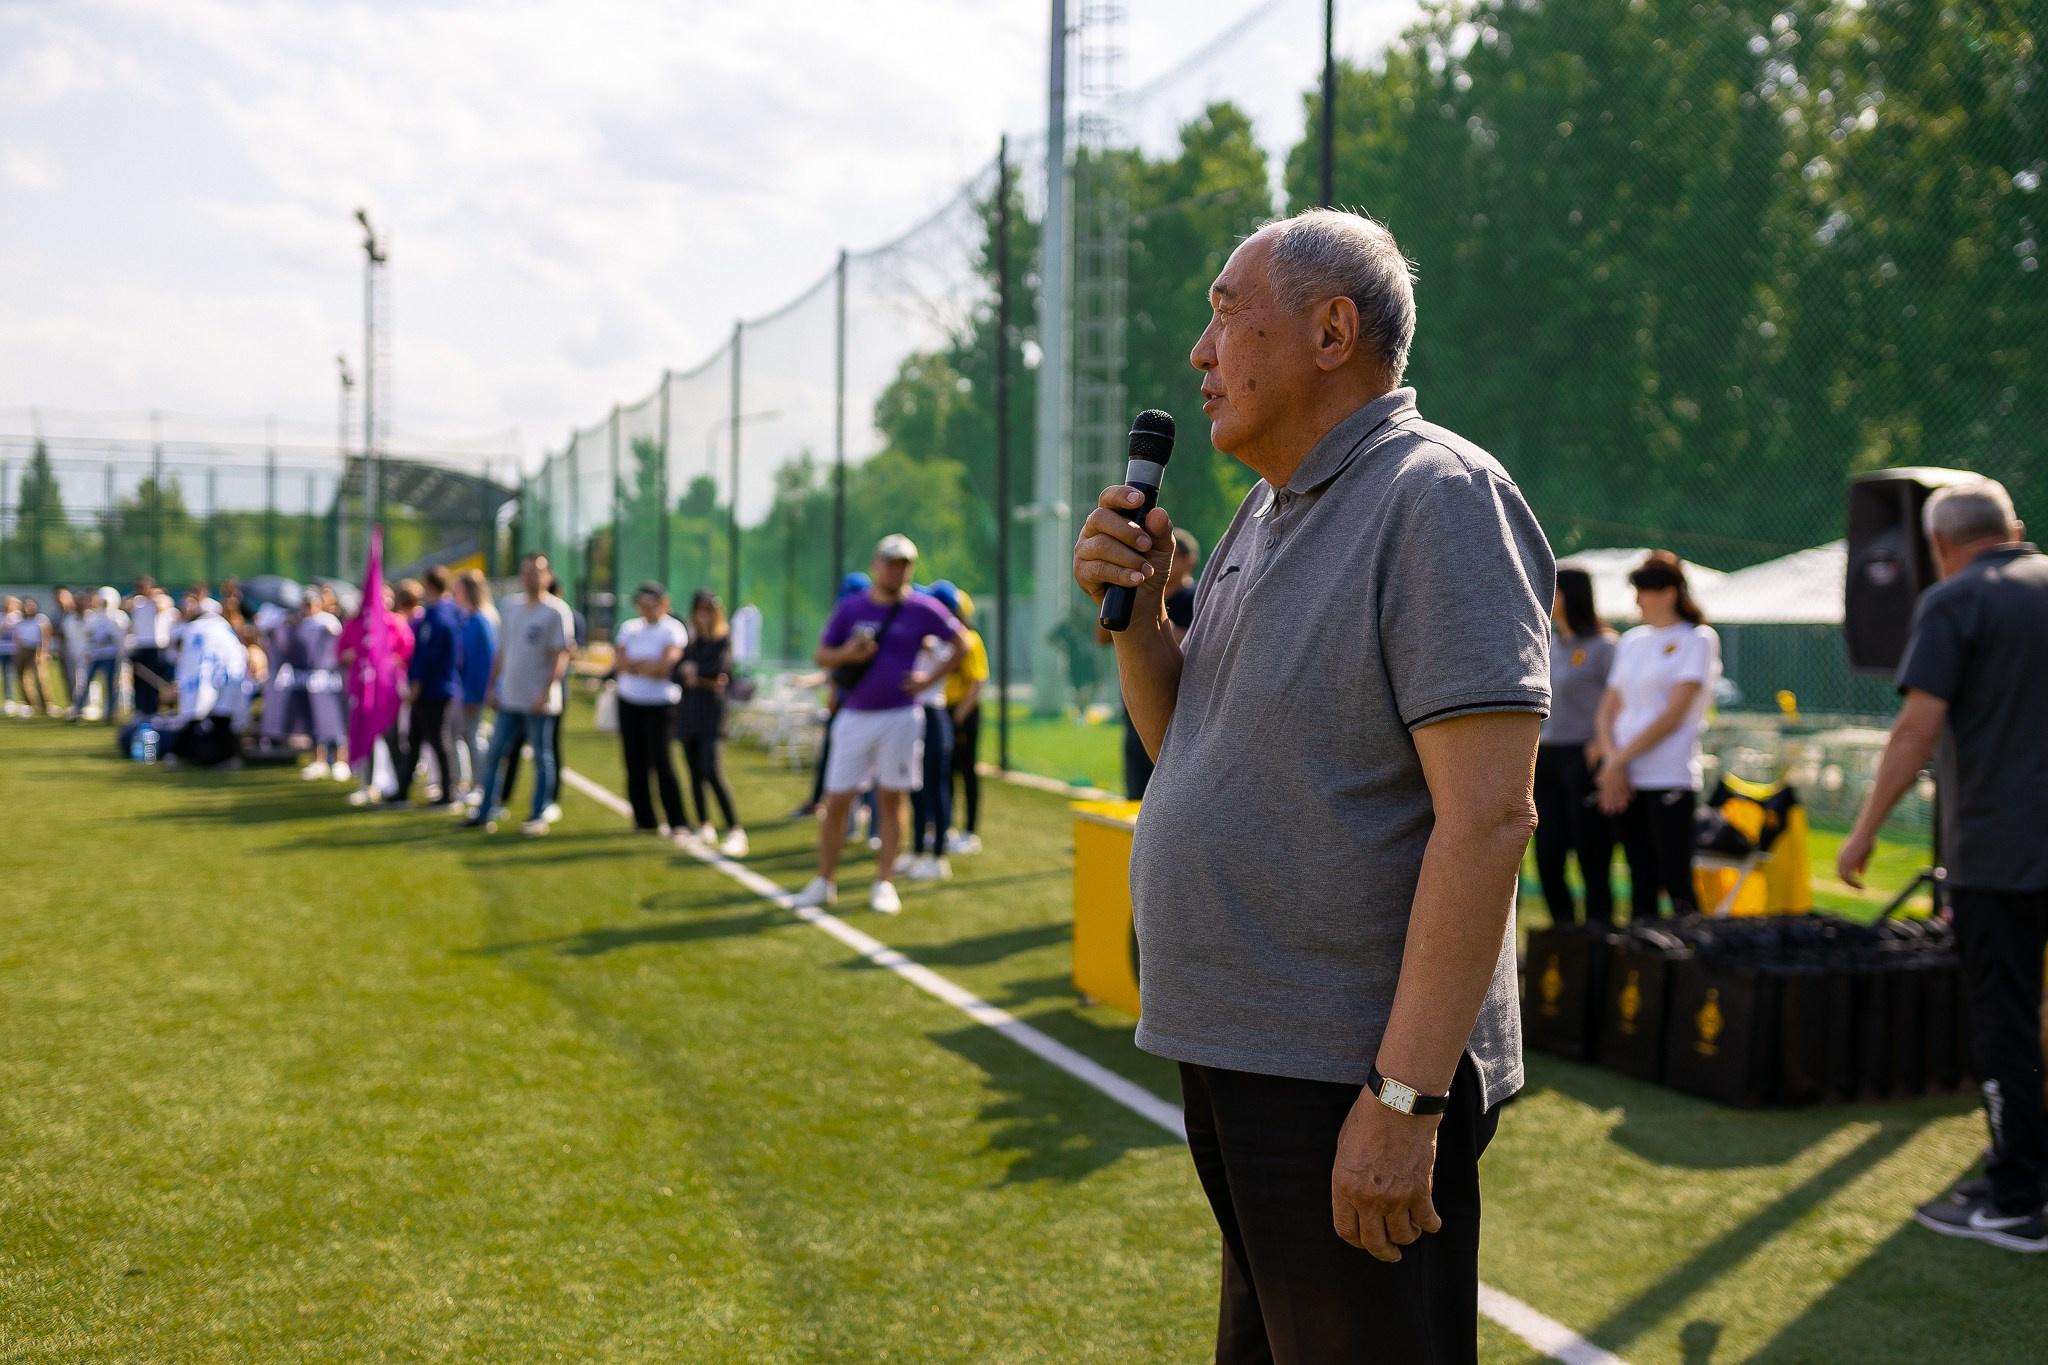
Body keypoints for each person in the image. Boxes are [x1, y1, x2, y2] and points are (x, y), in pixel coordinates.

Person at [1074, 209, 1551, 1362]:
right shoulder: (1272, 504)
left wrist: (1401, 1101)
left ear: (1332, 331)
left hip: (1343, 1072)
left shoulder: (1435, 496)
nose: (1199, 351)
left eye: (1225, 313)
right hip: (1244, 1050)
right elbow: (1193, 736)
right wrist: (1141, 626)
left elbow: (1488, 818)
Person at [1836, 478, 2048, 1252]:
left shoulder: (1956, 600)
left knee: (2006, 1020)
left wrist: (1862, 833)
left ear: (1938, 547)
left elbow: (1916, 729)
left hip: (2000, 852)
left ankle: (2020, 1197)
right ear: (2014, 526)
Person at [791, 535, 965, 915]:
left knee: (892, 798)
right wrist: (848, 653)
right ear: (876, 563)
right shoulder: (851, 608)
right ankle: (824, 881)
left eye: (905, 563)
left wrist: (927, 678)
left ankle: (884, 882)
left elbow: (962, 642)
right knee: (836, 799)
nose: (897, 569)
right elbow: (822, 655)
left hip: (901, 716)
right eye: (891, 561)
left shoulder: (923, 608)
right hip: (854, 715)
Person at [1592, 552, 1719, 919]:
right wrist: (1611, 761)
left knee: (1675, 877)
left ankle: (1686, 967)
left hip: (1668, 775)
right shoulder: (1631, 641)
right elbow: (1608, 707)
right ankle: (1642, 964)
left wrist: (1617, 760)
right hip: (1624, 777)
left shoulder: (1697, 639)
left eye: (1644, 591)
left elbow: (1673, 715)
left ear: (1668, 593)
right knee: (1639, 877)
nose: (1637, 601)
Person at [465, 553, 573, 836]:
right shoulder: (511, 607)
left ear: (547, 576)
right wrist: (492, 685)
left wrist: (546, 691)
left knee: (541, 757)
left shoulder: (557, 611)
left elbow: (561, 655)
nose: (531, 577)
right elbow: (502, 651)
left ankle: (538, 814)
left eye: (537, 571)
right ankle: (485, 811)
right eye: (526, 571)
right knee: (494, 754)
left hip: (538, 701)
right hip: (510, 698)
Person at [1533, 567, 1618, 924]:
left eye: (1555, 589)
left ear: (1572, 595)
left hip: (1584, 757)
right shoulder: (1546, 642)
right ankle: (1563, 936)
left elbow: (1622, 702)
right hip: (1545, 758)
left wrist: (1601, 745)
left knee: (1591, 856)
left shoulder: (1605, 646)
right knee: (1548, 856)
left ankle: (1598, 940)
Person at [1118, 529, 1200, 799]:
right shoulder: (1144, 591)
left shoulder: (1197, 597)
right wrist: (1118, 594)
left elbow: (1196, 642)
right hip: (1137, 707)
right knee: (1135, 795)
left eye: (1174, 556)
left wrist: (1149, 621)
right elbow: (1103, 635)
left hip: (1179, 710)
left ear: (1189, 560)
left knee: (1170, 793)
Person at [612, 582, 690, 837]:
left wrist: (638, 666)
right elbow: (619, 662)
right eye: (641, 604)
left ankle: (677, 821)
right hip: (629, 702)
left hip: (660, 705)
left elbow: (665, 667)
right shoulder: (630, 627)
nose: (645, 609)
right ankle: (644, 820)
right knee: (634, 763)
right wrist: (644, 665)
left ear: (663, 603)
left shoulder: (673, 628)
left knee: (662, 762)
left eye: (651, 603)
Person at [676, 589, 747, 857]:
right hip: (689, 713)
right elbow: (677, 673)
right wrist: (694, 676)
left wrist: (697, 675)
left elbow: (718, 672)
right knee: (694, 773)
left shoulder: (723, 640)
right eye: (699, 611)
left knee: (711, 770)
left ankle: (734, 829)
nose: (703, 616)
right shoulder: (692, 643)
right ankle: (704, 825)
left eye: (708, 611)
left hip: (712, 716)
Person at [391, 567, 462, 808]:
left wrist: (416, 686)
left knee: (438, 740)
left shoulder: (438, 615)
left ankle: (448, 792)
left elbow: (428, 656)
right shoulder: (446, 612)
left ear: (430, 585)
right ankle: (402, 790)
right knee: (416, 739)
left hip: (434, 689)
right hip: (437, 687)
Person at [933, 583, 989, 857]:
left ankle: (970, 832)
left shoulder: (969, 640)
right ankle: (948, 827)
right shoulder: (943, 640)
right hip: (947, 711)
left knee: (966, 772)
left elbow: (977, 683)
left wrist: (958, 717)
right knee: (946, 773)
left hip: (963, 714)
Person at [164, 599, 249, 769]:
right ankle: (228, 757)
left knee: (195, 718)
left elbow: (181, 656)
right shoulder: (225, 630)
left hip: (202, 682)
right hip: (227, 682)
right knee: (221, 719)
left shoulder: (194, 629)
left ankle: (177, 755)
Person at [452, 569, 498, 805]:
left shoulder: (481, 619)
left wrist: (474, 693)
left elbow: (485, 662)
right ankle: (476, 783)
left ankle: (484, 785)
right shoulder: (469, 618)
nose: (455, 593)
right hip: (466, 689)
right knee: (469, 737)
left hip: (474, 691)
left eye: (458, 588)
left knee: (475, 737)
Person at [294, 587, 349, 780]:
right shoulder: (302, 625)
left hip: (331, 678)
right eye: (305, 604)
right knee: (316, 720)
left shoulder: (329, 622)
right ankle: (320, 761)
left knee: (334, 718)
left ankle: (341, 760)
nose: (308, 608)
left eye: (311, 603)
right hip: (311, 679)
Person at [128, 578, 176, 716]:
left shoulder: (161, 599)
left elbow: (162, 606)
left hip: (155, 647)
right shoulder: (138, 602)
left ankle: (152, 709)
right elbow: (125, 604)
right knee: (139, 681)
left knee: (154, 680)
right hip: (140, 646)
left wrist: (154, 595)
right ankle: (140, 709)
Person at [80, 588, 129, 723]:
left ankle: (110, 711)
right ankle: (79, 708)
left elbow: (120, 638)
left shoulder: (119, 617)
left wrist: (109, 638)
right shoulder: (94, 616)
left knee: (110, 684)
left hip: (110, 655)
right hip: (96, 654)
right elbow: (87, 634)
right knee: (86, 682)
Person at [12, 597, 53, 715]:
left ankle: (46, 704)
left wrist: (44, 652)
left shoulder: (40, 619)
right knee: (22, 678)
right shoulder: (19, 621)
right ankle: (29, 703)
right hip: (22, 649)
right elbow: (17, 638)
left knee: (40, 678)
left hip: (36, 649)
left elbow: (46, 637)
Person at [0, 596, 17, 716]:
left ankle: (15, 700)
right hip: (2, 650)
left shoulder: (18, 617)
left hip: (14, 650)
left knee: (12, 675)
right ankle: (8, 699)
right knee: (6, 676)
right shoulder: (1, 617)